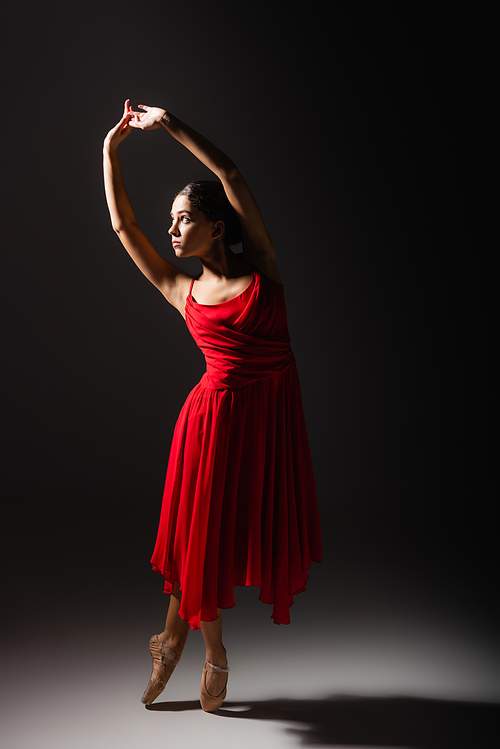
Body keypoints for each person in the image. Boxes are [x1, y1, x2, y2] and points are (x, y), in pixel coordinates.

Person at [103, 100, 322, 711]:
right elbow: (127, 231)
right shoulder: (183, 291)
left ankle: (172, 637)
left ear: (217, 227)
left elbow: (231, 179)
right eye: (170, 221)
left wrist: (169, 126)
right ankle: (211, 651)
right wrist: (109, 153)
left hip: (266, 424)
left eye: (182, 218)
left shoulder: (266, 274)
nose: (171, 229)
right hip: (210, 424)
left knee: (219, 536)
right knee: (205, 538)